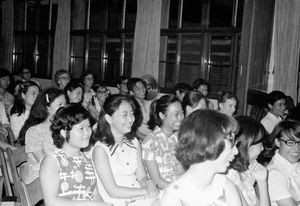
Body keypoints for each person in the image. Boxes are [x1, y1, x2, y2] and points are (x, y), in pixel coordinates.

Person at [159, 110, 241, 206]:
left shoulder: (224, 186)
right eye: (231, 142)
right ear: (208, 143)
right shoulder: (174, 199)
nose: (236, 151)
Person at [91, 94, 159, 206]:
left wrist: (149, 183)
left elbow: (141, 176)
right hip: (117, 202)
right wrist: (145, 191)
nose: (131, 119)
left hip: (139, 198)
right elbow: (113, 191)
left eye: (132, 114)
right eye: (125, 115)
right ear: (108, 119)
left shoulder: (134, 142)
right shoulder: (101, 149)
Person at [40, 104, 111, 206]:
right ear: (64, 133)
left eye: (88, 127)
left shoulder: (86, 160)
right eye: (81, 129)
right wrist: (90, 204)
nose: (87, 132)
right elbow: (51, 202)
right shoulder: (52, 161)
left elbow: (95, 195)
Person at [18, 88, 66, 204]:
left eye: (65, 104)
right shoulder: (34, 131)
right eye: (60, 104)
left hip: (61, 174)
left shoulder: (65, 128)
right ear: (47, 107)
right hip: (40, 179)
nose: (64, 108)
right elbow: (44, 163)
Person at [142, 95, 184, 189]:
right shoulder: (150, 142)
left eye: (182, 113)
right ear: (162, 115)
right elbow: (156, 181)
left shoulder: (176, 138)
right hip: (161, 191)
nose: (181, 118)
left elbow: (180, 171)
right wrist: (180, 191)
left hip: (177, 186)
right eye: (176, 114)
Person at [227, 116, 269, 206]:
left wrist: (262, 181)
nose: (262, 149)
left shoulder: (245, 171)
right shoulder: (229, 176)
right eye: (260, 144)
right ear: (247, 145)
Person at [265, 120, 300, 206]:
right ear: (277, 142)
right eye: (291, 143)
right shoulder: (274, 173)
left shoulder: (295, 164)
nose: (297, 148)